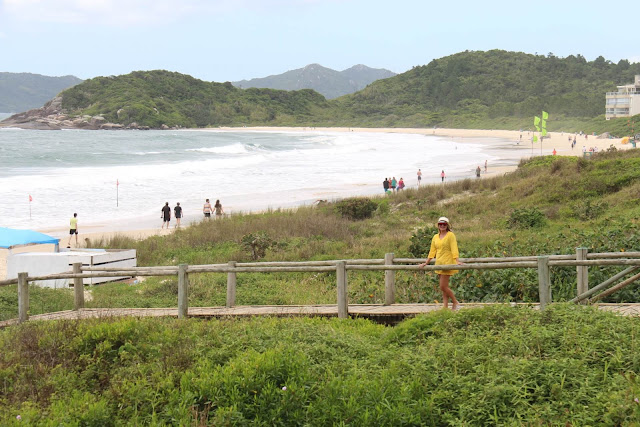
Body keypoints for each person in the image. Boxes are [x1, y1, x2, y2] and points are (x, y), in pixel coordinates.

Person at [418, 217, 462, 310]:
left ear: (447, 225)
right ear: (438, 225)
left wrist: (457, 260)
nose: (442, 226)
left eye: (444, 224)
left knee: (442, 286)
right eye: (440, 224)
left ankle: (455, 301)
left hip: (447, 262)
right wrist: (426, 262)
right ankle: (445, 307)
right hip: (438, 263)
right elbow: (432, 251)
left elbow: (454, 248)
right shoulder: (435, 237)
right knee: (444, 288)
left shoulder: (450, 235)